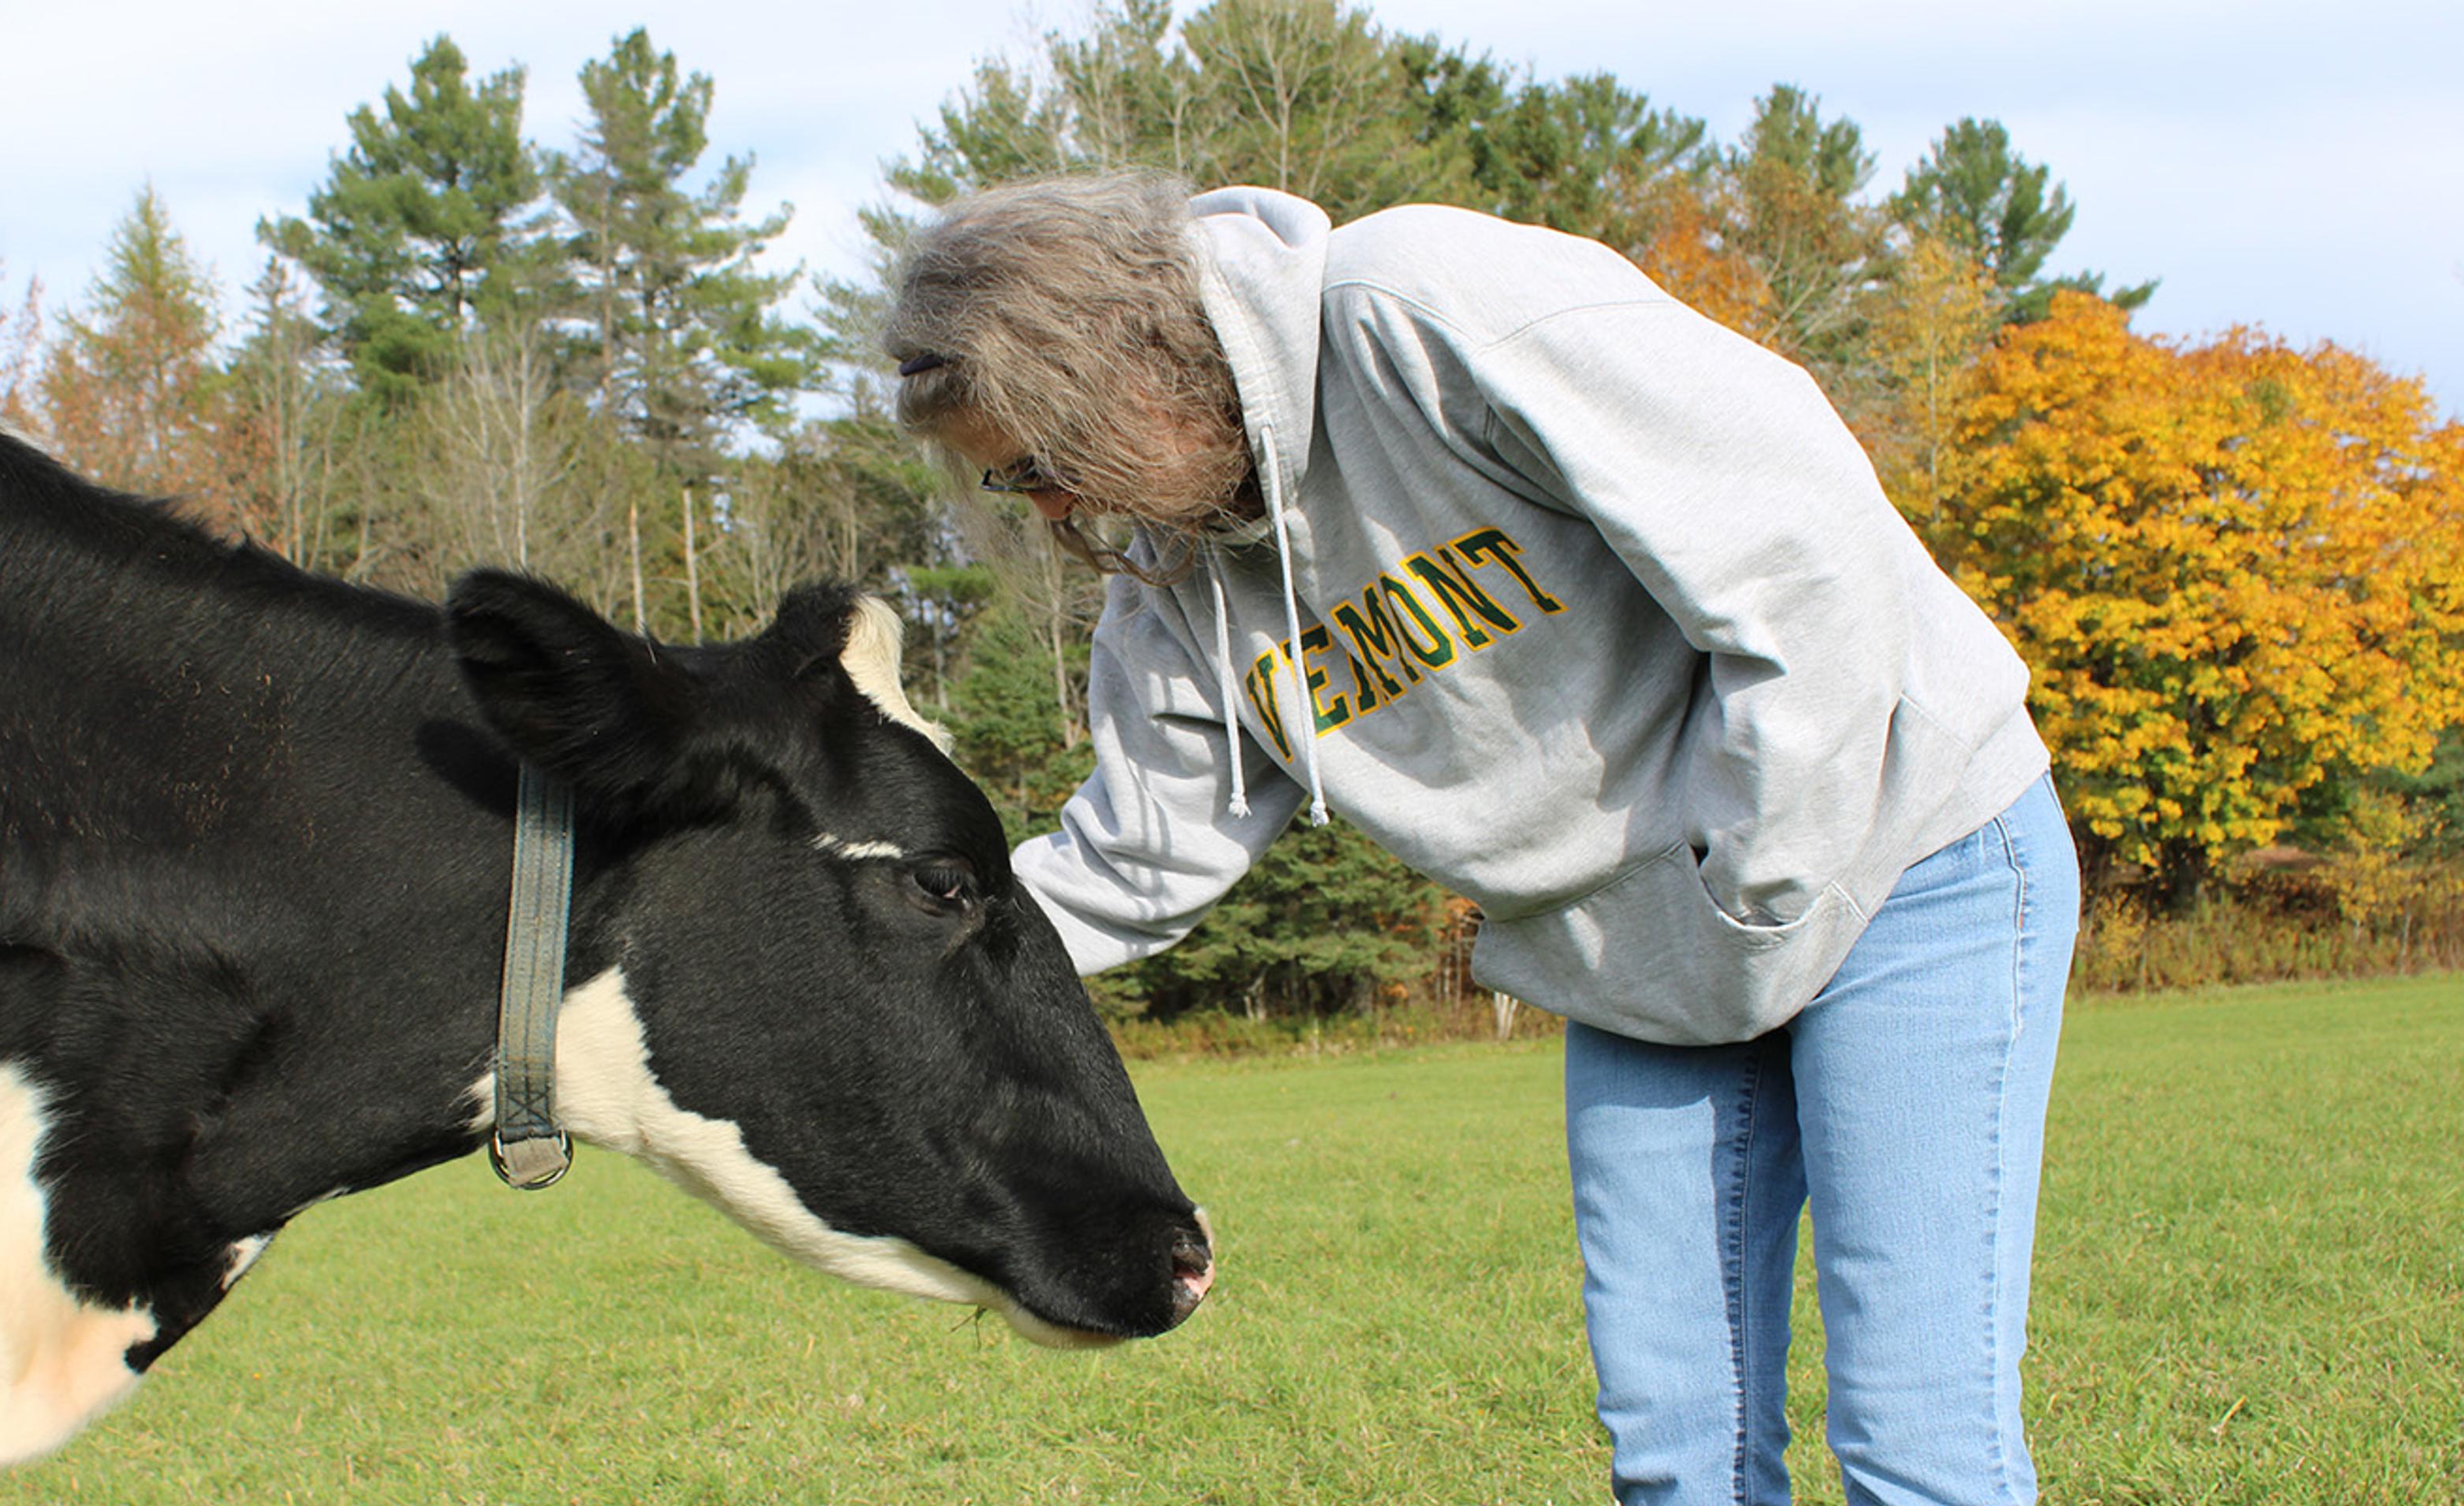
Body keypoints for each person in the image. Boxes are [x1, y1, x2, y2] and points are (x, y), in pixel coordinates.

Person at [881, 172, 2081, 1506]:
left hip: (1898, 847)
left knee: (1915, 1442)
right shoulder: (1171, 588)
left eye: (1043, 464)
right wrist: (874, 962)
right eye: (1014, 489)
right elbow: (1134, 858)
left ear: (1110, 369)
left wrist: (1759, 885)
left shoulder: (1426, 310)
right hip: (1646, 960)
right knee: (1683, 1455)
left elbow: (1802, 563)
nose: (1049, 514)